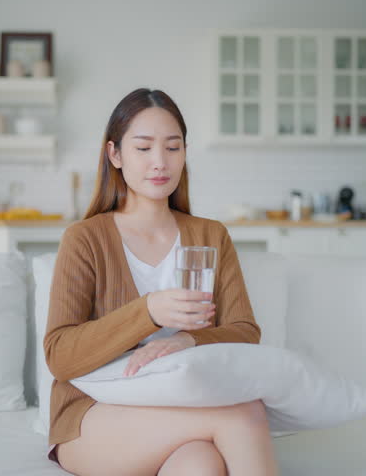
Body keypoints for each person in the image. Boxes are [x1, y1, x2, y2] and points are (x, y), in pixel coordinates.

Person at [43, 88, 279, 476]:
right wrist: (147, 311)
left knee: (200, 464)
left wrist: (187, 338)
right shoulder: (85, 239)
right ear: (114, 155)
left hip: (182, 403)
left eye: (173, 147)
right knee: (242, 413)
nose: (160, 162)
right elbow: (60, 356)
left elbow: (245, 331)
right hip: (93, 413)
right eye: (143, 148)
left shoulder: (211, 235)